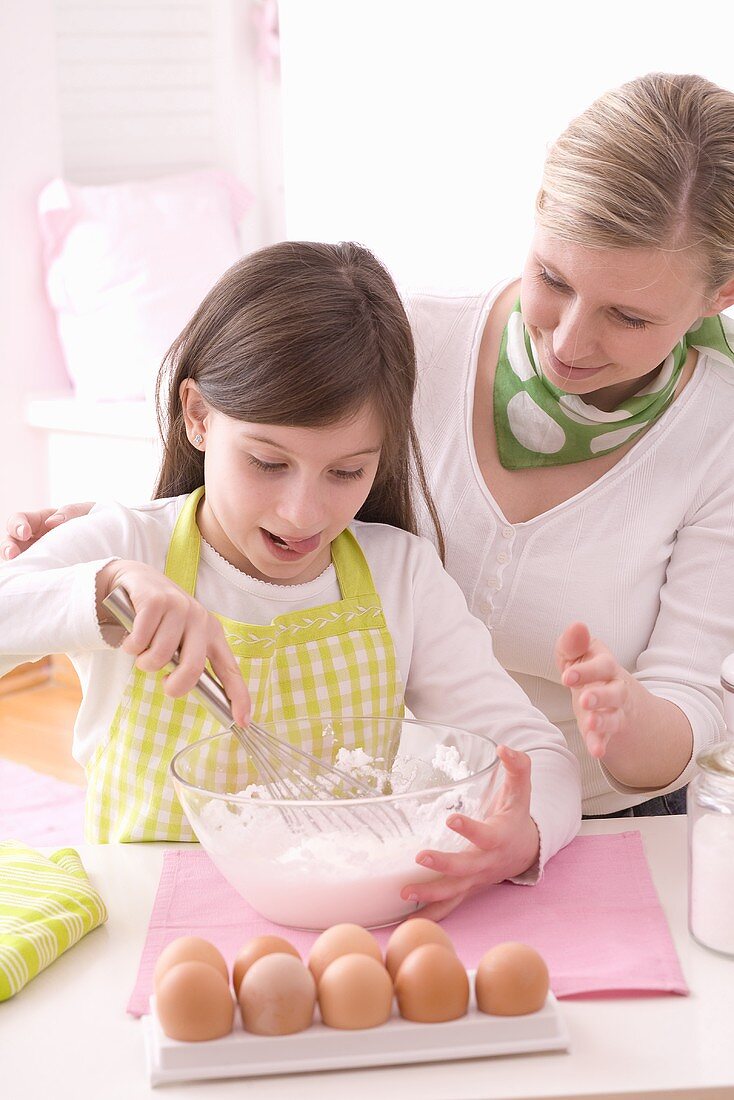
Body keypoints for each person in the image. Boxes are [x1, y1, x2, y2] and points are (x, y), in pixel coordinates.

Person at [8, 72, 733, 818]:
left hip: (591, 818)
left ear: (720, 296)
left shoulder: (718, 436)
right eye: (552, 277)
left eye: (629, 317)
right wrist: (118, 549)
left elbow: (661, 709)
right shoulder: (404, 343)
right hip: (404, 810)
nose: (571, 342)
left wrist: (622, 735)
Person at [0, 241, 580, 918]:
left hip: (339, 920)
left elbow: (536, 754)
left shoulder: (400, 576)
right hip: (142, 921)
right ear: (198, 416)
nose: (304, 513)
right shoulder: (128, 543)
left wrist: (523, 831)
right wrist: (105, 589)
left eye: (346, 472)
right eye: (268, 463)